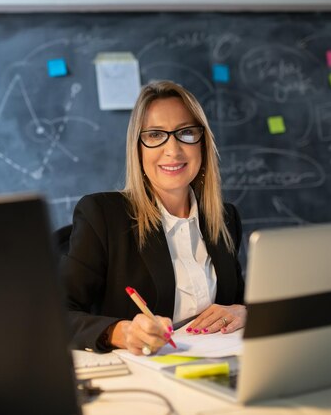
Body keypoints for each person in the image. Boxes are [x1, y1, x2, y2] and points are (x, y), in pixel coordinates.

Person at [60, 80, 245, 355]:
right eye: (156, 135)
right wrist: (120, 332)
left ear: (202, 143)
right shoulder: (102, 215)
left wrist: (243, 312)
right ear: (138, 148)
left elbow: (237, 303)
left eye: (186, 132)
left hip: (218, 371)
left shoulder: (225, 218)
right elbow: (55, 314)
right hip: (144, 380)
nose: (173, 150)